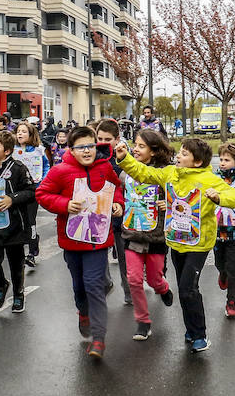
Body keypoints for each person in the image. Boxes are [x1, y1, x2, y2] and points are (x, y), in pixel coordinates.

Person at [115, 137, 235, 352]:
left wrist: (218, 196)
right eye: (179, 152)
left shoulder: (209, 179)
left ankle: (200, 335)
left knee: (187, 288)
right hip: (176, 241)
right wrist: (124, 158)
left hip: (198, 244)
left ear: (197, 162)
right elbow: (145, 174)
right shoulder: (170, 174)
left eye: (184, 154)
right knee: (185, 290)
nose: (178, 157)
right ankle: (190, 329)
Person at [37, 126, 124, 359]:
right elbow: (42, 194)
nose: (87, 151)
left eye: (91, 146)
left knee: (94, 284)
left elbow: (116, 189)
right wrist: (64, 204)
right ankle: (83, 313)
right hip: (72, 240)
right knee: (79, 286)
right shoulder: (60, 171)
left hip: (98, 239)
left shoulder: (105, 167)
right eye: (81, 147)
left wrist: (118, 205)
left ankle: (98, 339)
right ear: (71, 150)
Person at [119, 130, 175, 340]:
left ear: (154, 151)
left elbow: (179, 197)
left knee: (153, 279)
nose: (136, 149)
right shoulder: (126, 173)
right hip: (132, 233)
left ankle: (163, 288)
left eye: (141, 146)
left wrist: (168, 204)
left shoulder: (166, 173)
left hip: (156, 235)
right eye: (136, 145)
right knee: (133, 279)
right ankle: (143, 321)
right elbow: (118, 191)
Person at [0, 130, 36, 313]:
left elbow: (31, 192)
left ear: (8, 151)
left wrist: (12, 198)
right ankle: (2, 284)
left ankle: (19, 293)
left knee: (15, 263)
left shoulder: (18, 168)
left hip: (14, 226)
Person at [95, 119, 132, 305]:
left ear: (117, 139)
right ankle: (106, 283)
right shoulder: (93, 155)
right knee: (100, 255)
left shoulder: (124, 156)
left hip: (121, 213)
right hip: (99, 214)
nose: (102, 142)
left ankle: (129, 291)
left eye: (107, 139)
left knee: (124, 256)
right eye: (99, 137)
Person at [213, 142, 235, 318]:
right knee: (220, 263)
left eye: (227, 160)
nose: (222, 163)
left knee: (234, 266)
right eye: (221, 159)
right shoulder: (214, 179)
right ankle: (222, 273)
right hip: (217, 229)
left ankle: (231, 302)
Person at [14, 121, 49, 269]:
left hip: (33, 190)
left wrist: (41, 183)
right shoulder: (12, 150)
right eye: (18, 131)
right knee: (17, 221)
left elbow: (46, 166)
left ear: (31, 135)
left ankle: (32, 253)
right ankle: (18, 250)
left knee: (30, 221)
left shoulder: (39, 150)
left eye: (23, 131)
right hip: (15, 191)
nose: (20, 134)